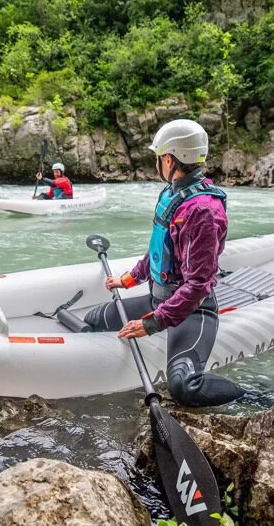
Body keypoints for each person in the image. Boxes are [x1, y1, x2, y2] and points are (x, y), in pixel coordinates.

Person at [84, 119, 244, 407]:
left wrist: (153, 324)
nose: (157, 163)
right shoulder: (172, 195)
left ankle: (252, 394)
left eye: (158, 157)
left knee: (184, 387)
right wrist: (130, 279)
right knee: (94, 319)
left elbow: (198, 285)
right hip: (157, 299)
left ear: (169, 159)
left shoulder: (204, 211)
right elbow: (159, 248)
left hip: (193, 311)